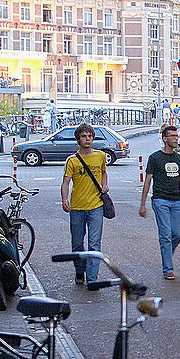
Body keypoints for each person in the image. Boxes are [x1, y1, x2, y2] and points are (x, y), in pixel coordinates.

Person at [140, 124, 180, 280]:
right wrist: (143, 203)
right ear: (164, 139)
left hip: (176, 200)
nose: (176, 139)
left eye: (176, 136)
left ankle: (167, 255)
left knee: (177, 233)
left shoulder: (179, 158)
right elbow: (148, 180)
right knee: (165, 235)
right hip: (160, 200)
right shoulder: (155, 158)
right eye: (172, 136)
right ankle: (168, 269)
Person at [61, 123, 108, 288]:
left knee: (94, 243)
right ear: (78, 139)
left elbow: (103, 172)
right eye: (83, 136)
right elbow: (66, 182)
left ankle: (92, 279)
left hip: (96, 206)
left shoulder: (100, 156)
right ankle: (80, 270)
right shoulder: (72, 161)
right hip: (77, 207)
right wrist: (64, 199)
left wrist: (105, 184)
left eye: (89, 136)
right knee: (77, 243)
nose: (87, 139)